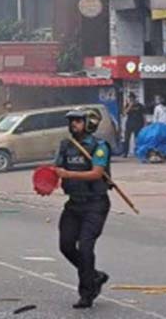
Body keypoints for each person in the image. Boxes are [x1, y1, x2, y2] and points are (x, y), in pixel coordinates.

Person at [54, 108, 111, 309]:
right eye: (71, 122)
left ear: (88, 123)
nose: (73, 125)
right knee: (66, 246)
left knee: (86, 248)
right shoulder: (65, 146)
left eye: (77, 121)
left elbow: (96, 173)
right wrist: (44, 181)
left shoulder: (100, 146)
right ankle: (94, 275)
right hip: (73, 204)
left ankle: (87, 293)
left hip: (95, 204)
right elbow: (56, 170)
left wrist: (68, 174)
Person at [122, 92, 145, 157]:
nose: (131, 99)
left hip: (138, 123)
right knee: (126, 138)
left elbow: (143, 115)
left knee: (137, 139)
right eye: (130, 98)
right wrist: (130, 106)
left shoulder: (140, 105)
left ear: (134, 98)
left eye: (132, 98)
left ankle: (138, 152)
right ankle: (125, 153)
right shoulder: (127, 105)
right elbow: (124, 113)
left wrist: (145, 124)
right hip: (129, 123)